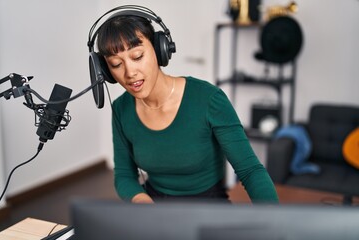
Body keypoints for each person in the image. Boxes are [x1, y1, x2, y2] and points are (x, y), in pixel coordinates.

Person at [95, 6, 279, 204]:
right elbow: (124, 175)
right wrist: (144, 204)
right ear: (106, 71)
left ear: (160, 49)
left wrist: (274, 224)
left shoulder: (209, 99)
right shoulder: (121, 109)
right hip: (154, 206)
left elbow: (251, 171)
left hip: (208, 206)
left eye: (138, 56)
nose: (130, 72)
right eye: (116, 64)